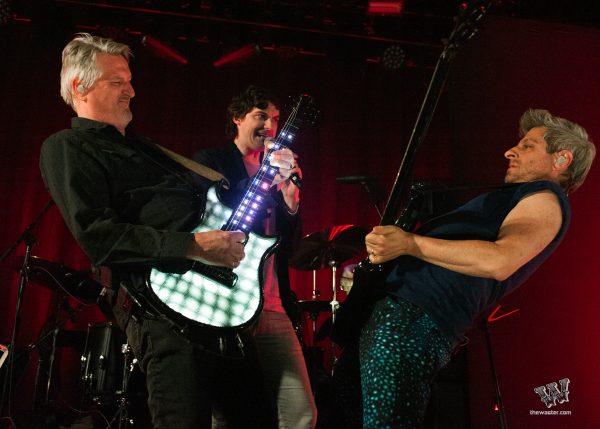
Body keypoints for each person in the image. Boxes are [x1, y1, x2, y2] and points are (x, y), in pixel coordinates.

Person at [38, 33, 302, 428]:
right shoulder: (68, 146)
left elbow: (220, 209)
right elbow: (98, 236)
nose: (131, 90)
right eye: (117, 81)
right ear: (80, 87)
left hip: (217, 307)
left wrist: (277, 190)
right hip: (164, 313)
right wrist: (193, 246)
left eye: (129, 79)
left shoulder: (147, 150)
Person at [343, 109, 595, 428]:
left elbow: (499, 260)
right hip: (403, 317)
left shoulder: (546, 197)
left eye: (528, 146)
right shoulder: (519, 197)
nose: (510, 151)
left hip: (413, 321)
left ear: (561, 160)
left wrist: (410, 244)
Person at [193, 85, 317, 429]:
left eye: (275, 119)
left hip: (272, 305)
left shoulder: (277, 172)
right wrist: (265, 184)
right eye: (261, 116)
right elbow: (213, 223)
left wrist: (290, 196)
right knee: (227, 413)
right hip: (226, 304)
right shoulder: (211, 162)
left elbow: (289, 247)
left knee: (301, 412)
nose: (270, 126)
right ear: (237, 118)